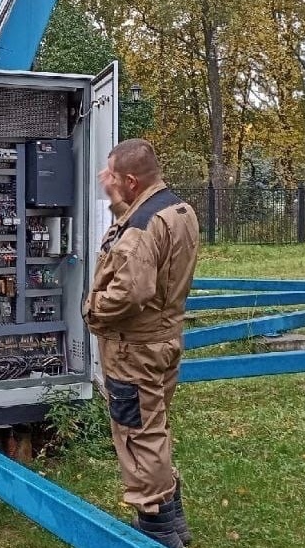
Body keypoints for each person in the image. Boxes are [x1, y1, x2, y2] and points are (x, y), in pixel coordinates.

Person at [83, 139, 199, 547]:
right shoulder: (177, 211)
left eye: (112, 176)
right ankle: (174, 523)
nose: (106, 180)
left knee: (137, 434)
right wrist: (118, 200)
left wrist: (92, 311)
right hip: (164, 340)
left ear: (131, 181)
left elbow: (130, 290)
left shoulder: (140, 228)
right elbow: (141, 241)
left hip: (133, 349)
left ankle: (157, 532)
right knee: (154, 428)